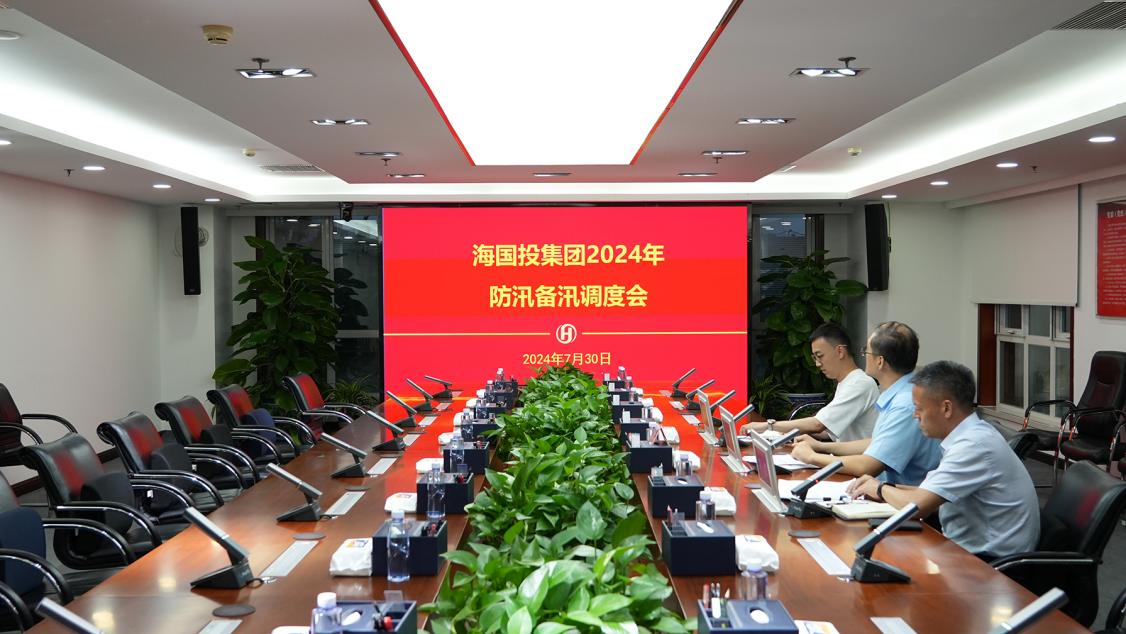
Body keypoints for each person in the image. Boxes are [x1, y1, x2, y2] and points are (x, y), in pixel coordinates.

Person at [847, 361, 1039, 559]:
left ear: (946, 408)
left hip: (988, 564)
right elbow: (927, 494)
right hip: (966, 552)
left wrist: (880, 489)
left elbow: (917, 506)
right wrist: (883, 487)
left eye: (919, 408)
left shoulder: (973, 446)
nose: (915, 415)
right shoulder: (972, 436)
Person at [790, 321, 941, 484]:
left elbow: (867, 466)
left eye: (866, 351)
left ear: (880, 361)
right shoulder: (901, 393)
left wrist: (812, 457)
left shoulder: (904, 405)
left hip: (896, 494)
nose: (863, 356)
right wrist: (821, 447)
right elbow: (877, 443)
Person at [742, 322, 878, 442]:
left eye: (820, 356)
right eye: (815, 358)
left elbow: (818, 424)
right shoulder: (846, 382)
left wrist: (768, 426)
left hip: (855, 461)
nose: (818, 364)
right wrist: (786, 432)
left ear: (840, 351)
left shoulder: (859, 384)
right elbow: (829, 431)